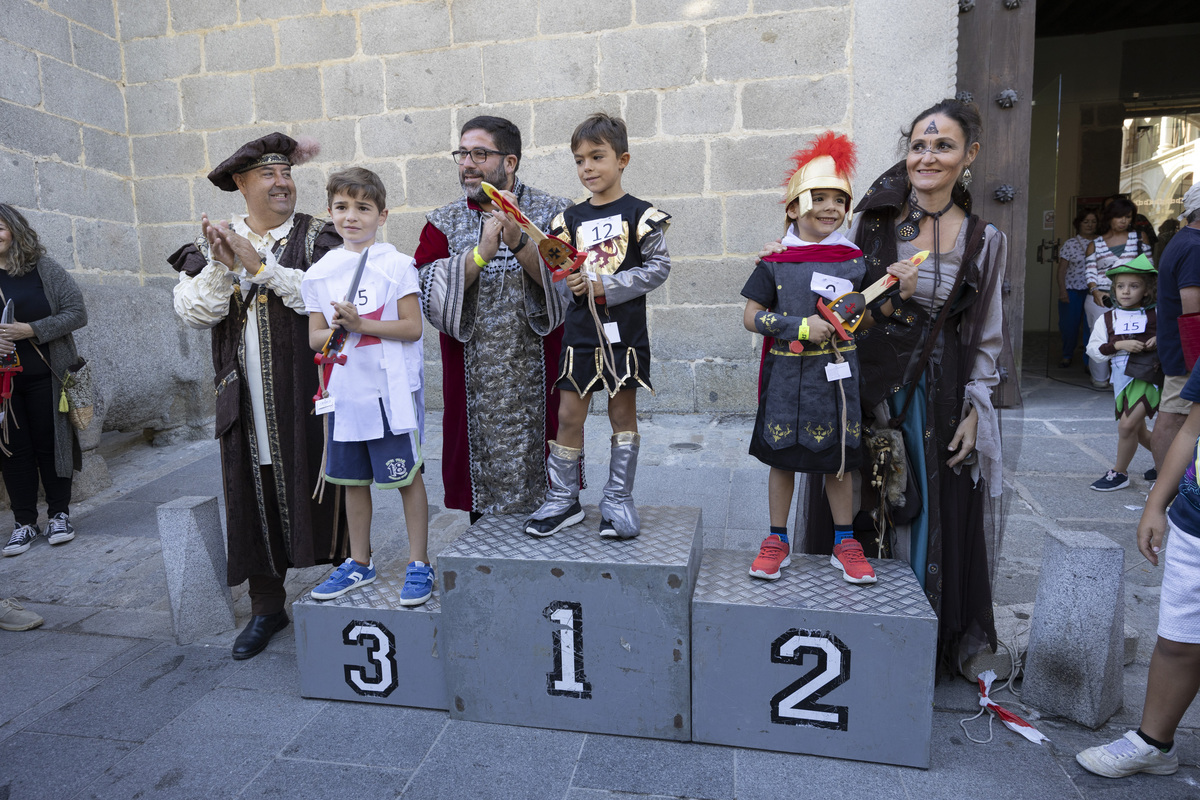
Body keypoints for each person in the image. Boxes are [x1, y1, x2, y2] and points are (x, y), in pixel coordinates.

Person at [816, 99, 1010, 670]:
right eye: (919, 145)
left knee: (925, 503)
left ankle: (914, 643)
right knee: (866, 495)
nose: (928, 156)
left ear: (968, 155)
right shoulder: (876, 223)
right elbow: (840, 300)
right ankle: (859, 629)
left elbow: (986, 330)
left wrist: (979, 408)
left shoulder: (983, 238)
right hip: (871, 378)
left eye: (943, 146)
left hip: (942, 388)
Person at [170, 132, 345, 660]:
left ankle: (346, 583)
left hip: (310, 391)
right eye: (268, 175)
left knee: (331, 481)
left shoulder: (320, 238)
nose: (282, 183)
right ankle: (267, 606)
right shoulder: (209, 248)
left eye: (286, 173)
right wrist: (226, 264)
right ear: (241, 185)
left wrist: (259, 265)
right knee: (253, 489)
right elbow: (195, 314)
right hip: (243, 399)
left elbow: (330, 299)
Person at [743, 132, 889, 585]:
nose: (831, 208)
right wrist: (799, 327)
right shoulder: (775, 262)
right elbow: (751, 316)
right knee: (782, 458)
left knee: (839, 463)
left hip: (837, 380)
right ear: (793, 207)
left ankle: (845, 542)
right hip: (786, 375)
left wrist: (859, 316)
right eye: (819, 197)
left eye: (839, 200)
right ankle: (776, 539)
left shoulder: (856, 263)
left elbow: (867, 324)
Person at [416, 116, 572, 521]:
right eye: (463, 153)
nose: (468, 163)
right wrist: (479, 254)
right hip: (473, 368)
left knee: (547, 463)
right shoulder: (441, 222)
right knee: (480, 486)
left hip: (538, 359)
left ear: (510, 162)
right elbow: (424, 287)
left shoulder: (554, 212)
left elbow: (569, 281)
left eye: (480, 154)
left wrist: (521, 242)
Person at [524, 113, 670, 539]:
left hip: (624, 334)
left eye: (597, 156)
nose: (587, 167)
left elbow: (658, 268)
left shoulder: (643, 216)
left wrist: (604, 284)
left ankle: (618, 500)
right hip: (581, 334)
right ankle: (563, 499)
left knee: (622, 413)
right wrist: (570, 283)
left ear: (622, 159)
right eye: (579, 160)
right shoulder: (565, 222)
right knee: (569, 414)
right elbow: (560, 277)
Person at [301, 167, 432, 605]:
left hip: (389, 392)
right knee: (352, 481)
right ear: (329, 213)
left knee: (406, 478)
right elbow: (315, 337)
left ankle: (419, 562)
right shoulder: (320, 273)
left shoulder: (396, 266)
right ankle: (359, 562)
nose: (351, 217)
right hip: (345, 394)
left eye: (363, 207)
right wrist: (340, 328)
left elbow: (412, 327)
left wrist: (361, 324)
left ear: (382, 215)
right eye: (341, 207)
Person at [1074, 360, 1200, 779]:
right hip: (1193, 524)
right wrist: (1156, 503)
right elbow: (1191, 430)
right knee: (1177, 640)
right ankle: (1154, 742)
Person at [0, 204, 87, 557]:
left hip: (47, 375)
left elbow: (77, 312)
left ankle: (59, 515)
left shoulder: (43, 269)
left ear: (14, 229)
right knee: (12, 450)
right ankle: (23, 523)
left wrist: (30, 330)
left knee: (52, 444)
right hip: (4, 385)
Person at [1085, 255, 1160, 492]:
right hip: (1121, 379)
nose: (1126, 291)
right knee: (1137, 431)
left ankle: (1119, 473)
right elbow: (1093, 350)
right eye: (1120, 286)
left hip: (1148, 377)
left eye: (1134, 286)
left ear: (1147, 290)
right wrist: (1118, 346)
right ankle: (1170, 464)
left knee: (1127, 427)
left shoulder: (1158, 314)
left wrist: (1161, 339)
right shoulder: (1106, 318)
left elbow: (1177, 336)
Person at [1150, 186, 1200, 474]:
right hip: (1187, 349)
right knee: (1174, 419)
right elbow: (1192, 308)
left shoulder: (1186, 240)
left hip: (1181, 345)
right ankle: (1165, 491)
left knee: (1175, 417)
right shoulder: (1194, 247)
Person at [1084, 197, 1152, 389]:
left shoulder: (1139, 238)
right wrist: (1095, 291)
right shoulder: (1095, 244)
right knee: (1100, 337)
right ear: (1109, 218)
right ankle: (1100, 379)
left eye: (1127, 217)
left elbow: (1149, 268)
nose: (1123, 221)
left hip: (1134, 299)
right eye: (1119, 216)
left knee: (1131, 336)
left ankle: (1128, 378)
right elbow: (1090, 272)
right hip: (1101, 297)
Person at [1056, 209, 1099, 368]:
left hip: (1094, 291)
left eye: (1093, 221)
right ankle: (1067, 354)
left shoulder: (1101, 242)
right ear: (1079, 224)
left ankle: (1089, 362)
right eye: (1086, 221)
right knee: (1069, 326)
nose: (1089, 225)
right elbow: (1061, 270)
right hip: (1072, 290)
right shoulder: (1071, 244)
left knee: (1091, 327)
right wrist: (1062, 291)